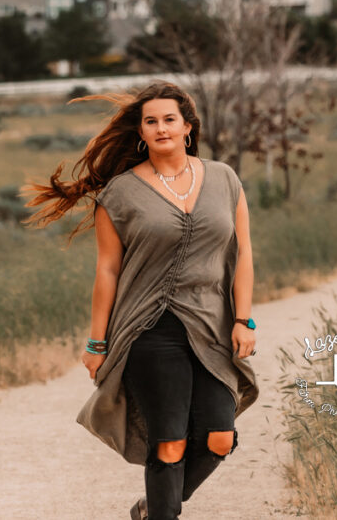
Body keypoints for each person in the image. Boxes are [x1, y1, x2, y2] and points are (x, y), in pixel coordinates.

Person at [25, 81, 259, 519]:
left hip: (213, 325)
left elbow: (242, 253)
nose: (160, 127)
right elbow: (107, 272)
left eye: (169, 119)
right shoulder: (119, 194)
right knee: (168, 444)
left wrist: (243, 319)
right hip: (150, 331)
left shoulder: (224, 179)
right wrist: (96, 344)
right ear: (141, 132)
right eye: (151, 121)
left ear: (188, 127)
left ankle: (152, 509)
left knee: (219, 438)